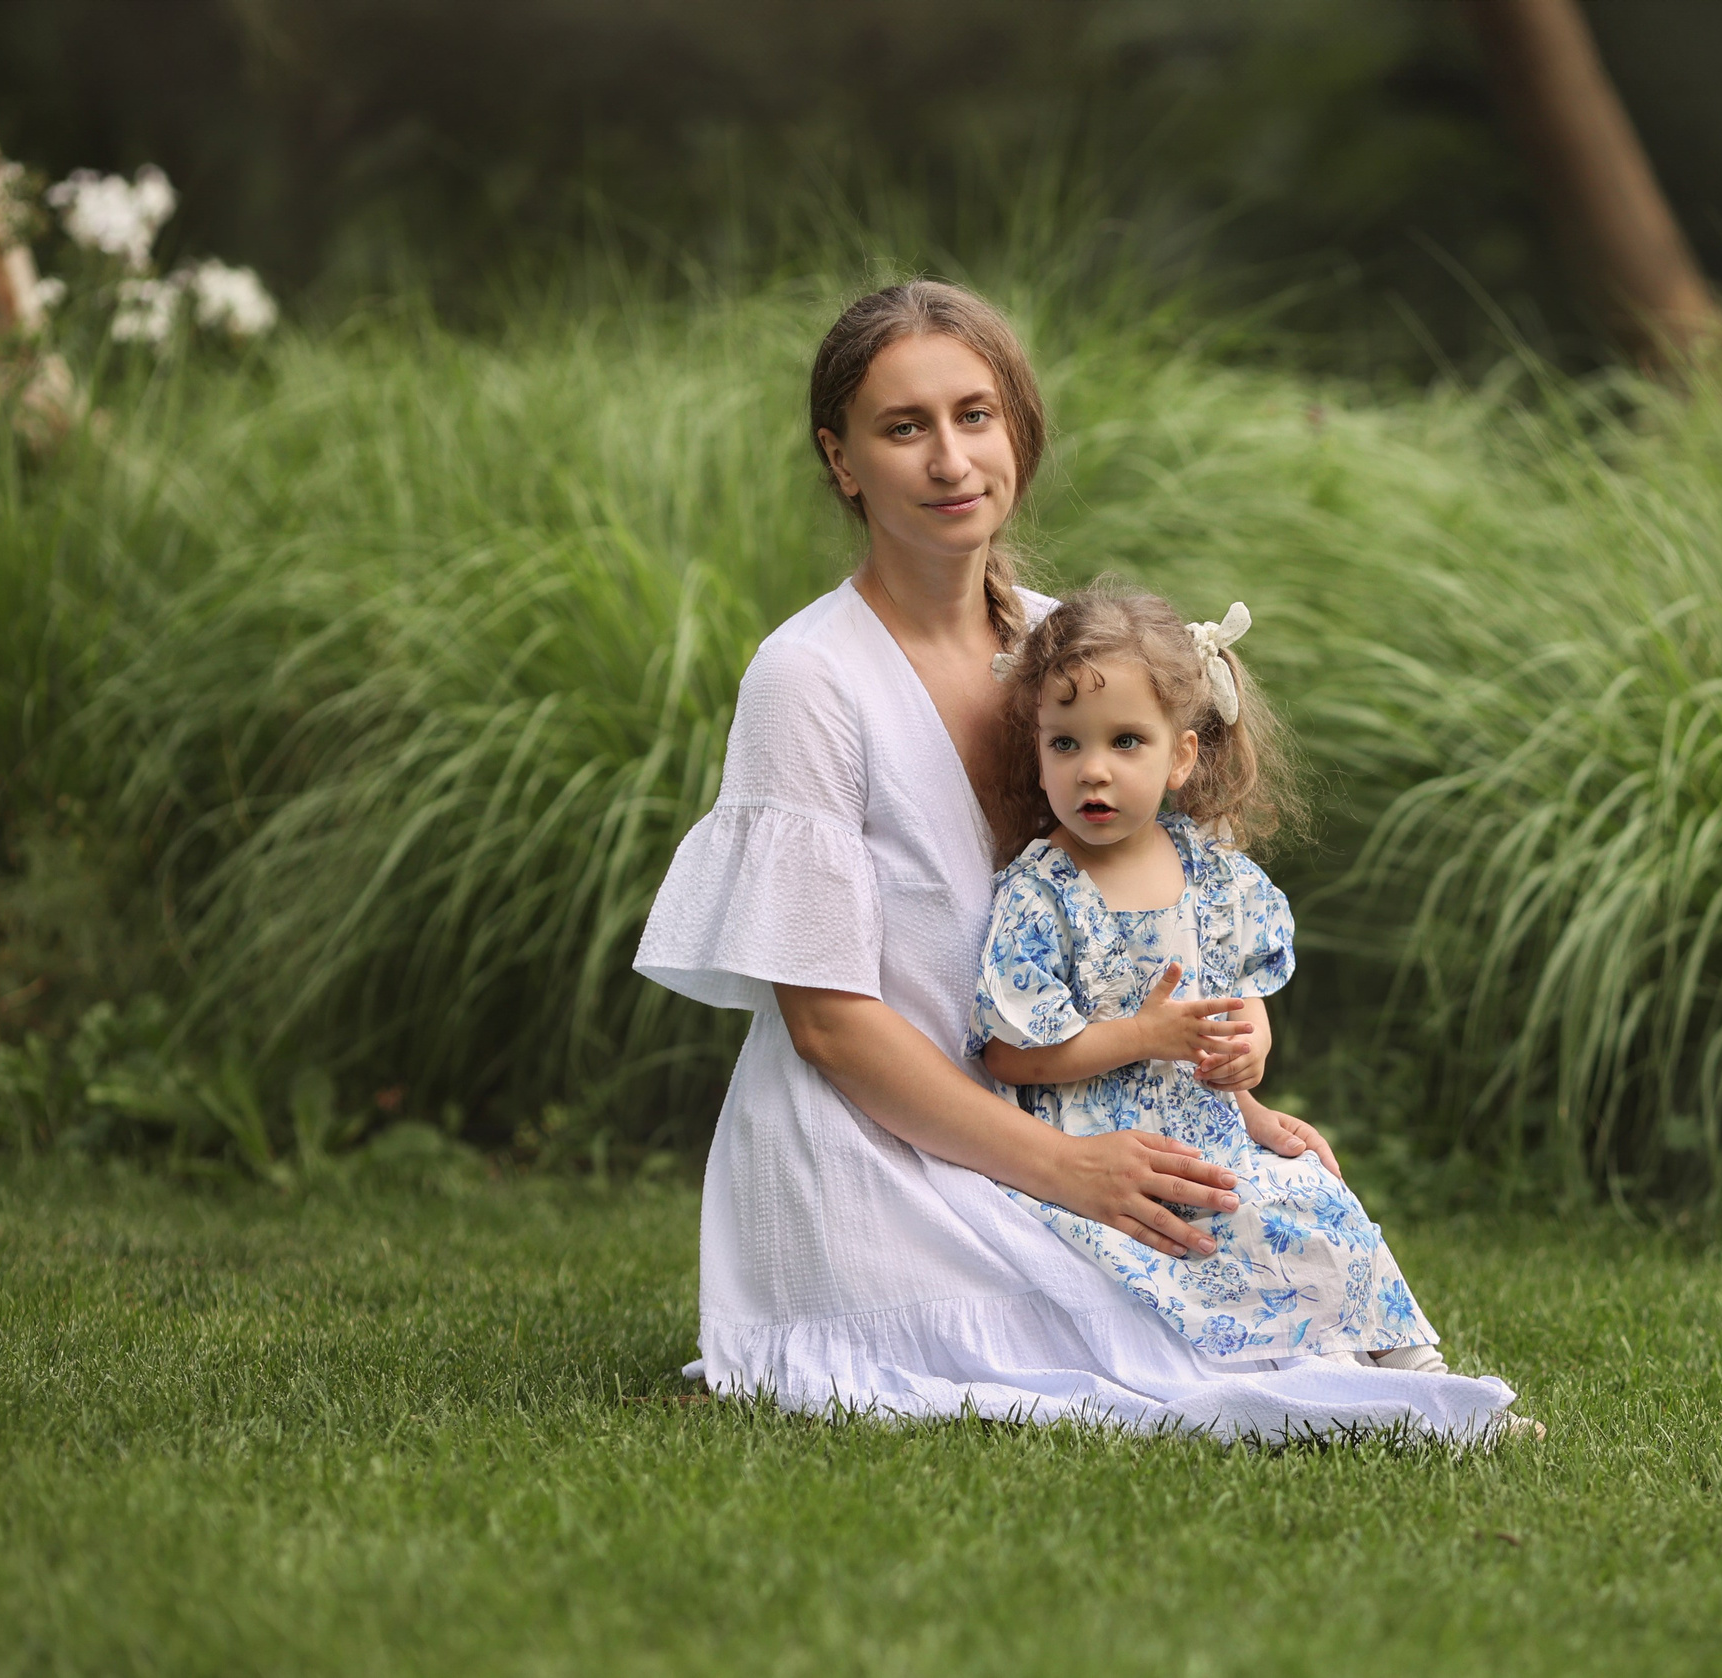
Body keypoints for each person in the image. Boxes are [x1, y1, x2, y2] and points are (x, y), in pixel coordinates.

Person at [632, 278, 1516, 1441]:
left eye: (974, 416)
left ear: (1018, 434)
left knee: (1264, 1211)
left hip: (1068, 1089)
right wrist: (1066, 1168)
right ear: (841, 460)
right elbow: (829, 1025)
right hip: (875, 1129)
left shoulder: (1067, 655)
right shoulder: (808, 677)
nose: (950, 460)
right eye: (904, 428)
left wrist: (1234, 1101)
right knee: (1123, 1345)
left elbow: (1139, 919)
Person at [971, 587, 1456, 1373]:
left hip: (1210, 1129)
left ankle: (1413, 1371)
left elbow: (1236, 1008)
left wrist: (1250, 1076)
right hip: (1100, 1150)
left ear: (1181, 756)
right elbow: (1009, 1056)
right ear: (1039, 748)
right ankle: (1317, 1371)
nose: (1093, 770)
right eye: (1066, 744)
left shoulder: (1211, 877)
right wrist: (1141, 1037)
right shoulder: (1041, 892)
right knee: (1239, 1221)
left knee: (1314, 1195)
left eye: (1126, 741)